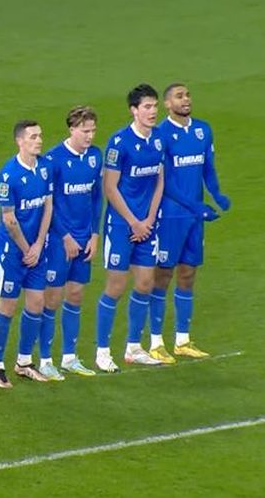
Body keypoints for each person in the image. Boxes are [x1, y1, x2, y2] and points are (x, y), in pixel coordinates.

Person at [148, 83, 230, 362]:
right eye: (179, 96)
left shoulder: (202, 130)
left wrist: (217, 194)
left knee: (188, 273)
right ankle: (156, 342)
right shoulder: (160, 134)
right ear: (167, 104)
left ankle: (182, 340)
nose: (186, 100)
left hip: (195, 217)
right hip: (171, 215)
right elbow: (166, 182)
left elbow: (208, 167)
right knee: (163, 275)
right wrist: (196, 206)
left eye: (187, 95)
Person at [95, 84, 165, 372]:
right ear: (134, 110)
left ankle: (134, 347)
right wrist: (134, 221)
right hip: (121, 226)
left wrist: (149, 219)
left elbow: (160, 181)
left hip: (147, 226)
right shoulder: (119, 143)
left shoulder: (158, 139)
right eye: (147, 107)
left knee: (146, 283)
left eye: (155, 106)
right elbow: (110, 187)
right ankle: (102, 351)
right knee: (115, 286)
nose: (152, 111)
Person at [40, 107, 103, 379]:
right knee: (52, 299)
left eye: (93, 131)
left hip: (84, 238)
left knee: (76, 295)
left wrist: (95, 235)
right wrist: (65, 236)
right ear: (72, 129)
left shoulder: (95, 156)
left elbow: (97, 197)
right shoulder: (53, 160)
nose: (90, 136)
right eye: (85, 131)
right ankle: (44, 360)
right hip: (58, 240)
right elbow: (48, 205)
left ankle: (69, 357)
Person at [0, 120, 53, 388]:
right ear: (20, 141)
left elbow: (48, 206)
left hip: (36, 250)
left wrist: (38, 245)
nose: (39, 140)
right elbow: (9, 219)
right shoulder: (9, 174)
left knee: (36, 303)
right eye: (33, 137)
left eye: (40, 136)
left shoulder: (45, 167)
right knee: (7, 306)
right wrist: (28, 249)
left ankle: (24, 362)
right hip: (13, 253)